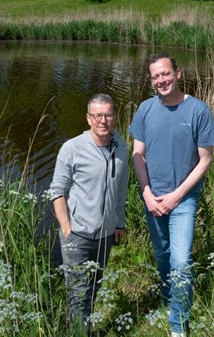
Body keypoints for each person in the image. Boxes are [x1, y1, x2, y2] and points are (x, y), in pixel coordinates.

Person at [128, 54, 214, 336]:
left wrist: (177, 195)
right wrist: (146, 193)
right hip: (152, 198)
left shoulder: (198, 110)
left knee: (180, 260)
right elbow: (137, 154)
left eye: (165, 74)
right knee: (163, 253)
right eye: (155, 76)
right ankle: (171, 297)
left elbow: (205, 159)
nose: (161, 80)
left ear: (178, 74)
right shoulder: (145, 109)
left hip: (184, 199)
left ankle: (178, 324)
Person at [48, 93, 128, 335]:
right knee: (77, 292)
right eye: (97, 115)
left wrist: (119, 223)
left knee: (94, 287)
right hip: (78, 234)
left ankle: (84, 328)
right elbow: (57, 191)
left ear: (114, 117)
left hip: (106, 234)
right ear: (88, 118)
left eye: (108, 115)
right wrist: (66, 229)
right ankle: (81, 332)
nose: (103, 120)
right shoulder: (72, 148)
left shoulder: (121, 146)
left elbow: (121, 187)